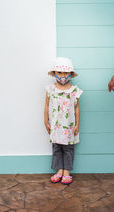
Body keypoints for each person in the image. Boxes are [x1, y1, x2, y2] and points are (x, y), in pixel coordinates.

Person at [44, 57, 83, 185]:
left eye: (66, 73)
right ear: (54, 73)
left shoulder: (74, 91)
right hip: (55, 125)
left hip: (68, 126)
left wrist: (77, 123)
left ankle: (66, 171)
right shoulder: (50, 89)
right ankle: (59, 170)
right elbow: (46, 105)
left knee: (68, 148)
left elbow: (76, 108)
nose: (62, 76)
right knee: (56, 148)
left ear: (71, 74)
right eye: (59, 73)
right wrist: (46, 120)